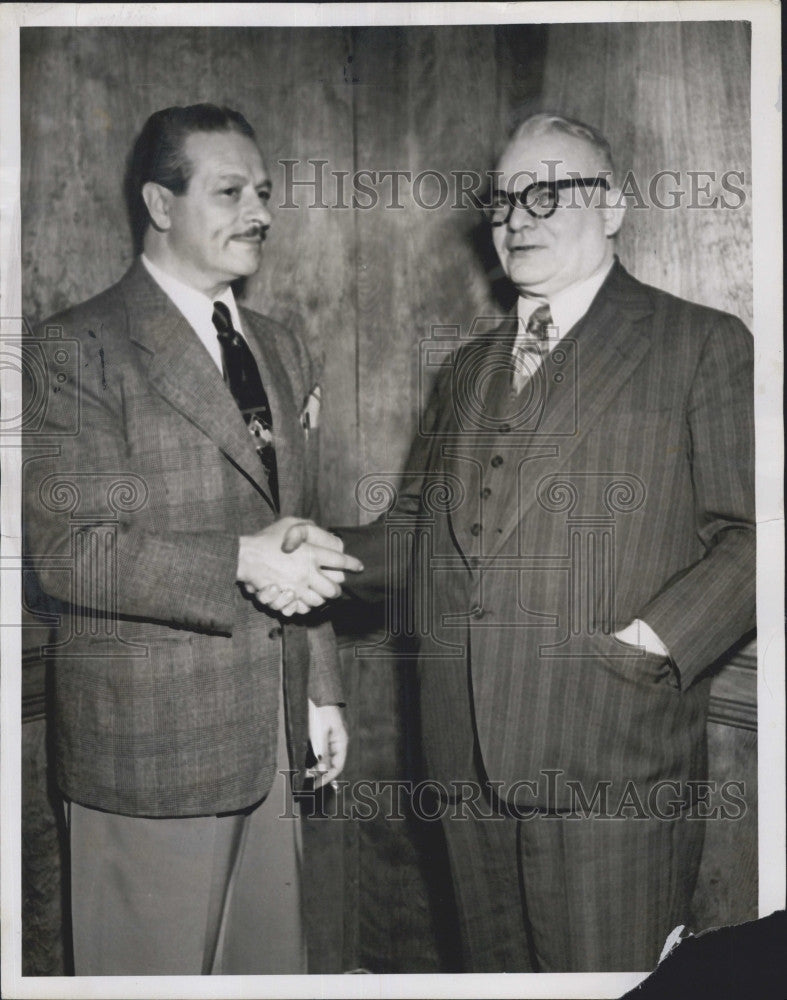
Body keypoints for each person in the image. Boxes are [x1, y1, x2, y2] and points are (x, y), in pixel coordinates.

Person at [336, 113, 755, 972]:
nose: (515, 216)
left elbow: (758, 539)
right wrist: (310, 554)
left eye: (547, 191)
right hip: (461, 764)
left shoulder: (701, 344)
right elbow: (414, 536)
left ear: (612, 206)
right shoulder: (464, 369)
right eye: (500, 199)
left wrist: (650, 647)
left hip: (612, 757)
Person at [22, 103, 363, 976]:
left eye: (263, 191)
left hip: (274, 742)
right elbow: (73, 549)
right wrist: (240, 560)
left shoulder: (280, 345)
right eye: (230, 191)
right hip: (148, 756)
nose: (259, 210)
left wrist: (318, 688)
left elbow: (297, 527)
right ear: (160, 203)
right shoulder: (78, 346)